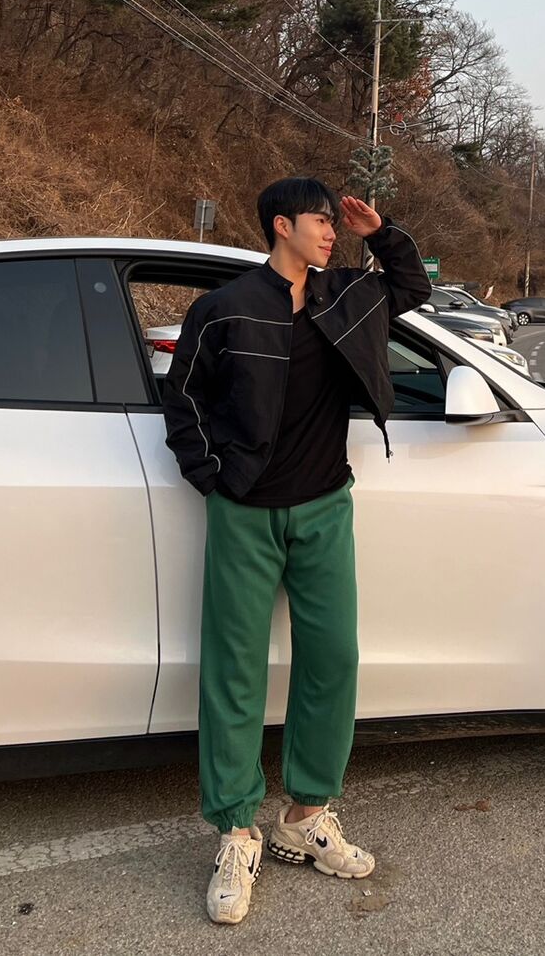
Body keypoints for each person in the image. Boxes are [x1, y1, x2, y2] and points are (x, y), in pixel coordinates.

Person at [162, 176, 430, 925]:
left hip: (324, 506)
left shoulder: (346, 296)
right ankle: (236, 831)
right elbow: (182, 398)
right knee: (235, 668)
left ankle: (307, 815)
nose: (330, 231)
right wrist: (212, 478)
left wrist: (380, 231)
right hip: (245, 511)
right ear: (281, 225)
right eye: (320, 220)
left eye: (334, 222)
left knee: (333, 658)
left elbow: (413, 287)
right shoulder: (224, 308)